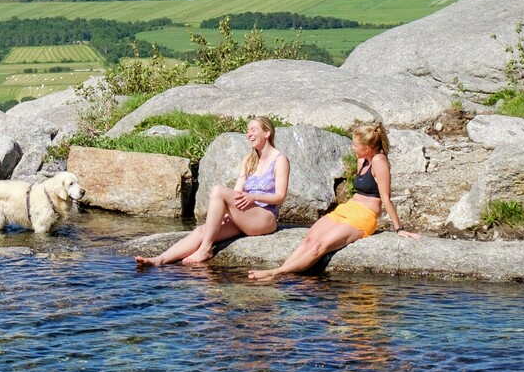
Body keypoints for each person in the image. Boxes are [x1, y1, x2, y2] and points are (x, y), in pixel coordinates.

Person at [246, 120, 416, 282]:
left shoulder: (379, 161)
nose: (352, 147)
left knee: (320, 246)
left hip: (364, 216)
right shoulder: (362, 160)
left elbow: (385, 197)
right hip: (348, 208)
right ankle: (283, 269)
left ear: (367, 147)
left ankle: (275, 273)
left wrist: (399, 228)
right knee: (309, 239)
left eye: (355, 145)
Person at [136, 117, 285, 267]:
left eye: (253, 130)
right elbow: (237, 191)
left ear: (267, 132)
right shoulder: (249, 159)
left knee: (218, 190)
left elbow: (280, 197)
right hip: (245, 216)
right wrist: (227, 214)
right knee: (203, 230)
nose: (249, 135)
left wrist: (253, 197)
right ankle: (159, 260)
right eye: (247, 131)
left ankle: (206, 249)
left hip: (265, 218)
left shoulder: (280, 160)